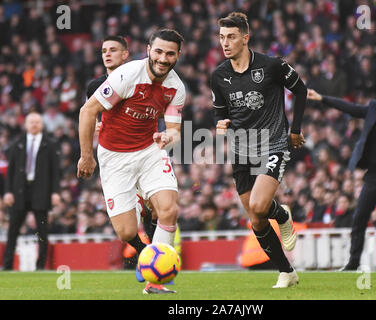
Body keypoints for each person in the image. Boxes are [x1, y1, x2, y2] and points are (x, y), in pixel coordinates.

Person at [78, 29, 185, 294]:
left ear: (177, 56)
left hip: (149, 150)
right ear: (148, 50)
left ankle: (156, 281)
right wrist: (87, 156)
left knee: (169, 210)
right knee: (126, 232)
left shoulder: (176, 88)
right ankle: (147, 244)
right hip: (114, 157)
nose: (163, 58)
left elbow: (175, 130)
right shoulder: (125, 76)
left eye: (170, 53)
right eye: (158, 51)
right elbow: (87, 111)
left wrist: (167, 136)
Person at [211, 12, 307, 288]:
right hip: (241, 150)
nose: (225, 43)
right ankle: (286, 271)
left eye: (230, 37)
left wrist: (296, 130)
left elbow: (300, 90)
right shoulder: (219, 76)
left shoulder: (272, 65)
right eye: (221, 37)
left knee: (258, 205)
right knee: (256, 218)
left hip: (274, 142)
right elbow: (219, 114)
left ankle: (280, 214)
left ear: (245, 37)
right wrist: (219, 125)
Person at [307, 83, 376, 271]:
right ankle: (353, 262)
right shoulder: (373, 110)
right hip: (374, 174)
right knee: (359, 216)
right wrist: (322, 98)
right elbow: (349, 107)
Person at [2, 112, 61, 270]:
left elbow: (55, 171)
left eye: (37, 122)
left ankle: (41, 265)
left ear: (41, 124)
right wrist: (7, 191)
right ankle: (7, 265)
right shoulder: (18, 143)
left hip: (41, 191)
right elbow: (11, 170)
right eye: (31, 122)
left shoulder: (50, 145)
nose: (34, 124)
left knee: (42, 231)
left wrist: (55, 192)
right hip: (20, 190)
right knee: (13, 229)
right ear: (26, 124)